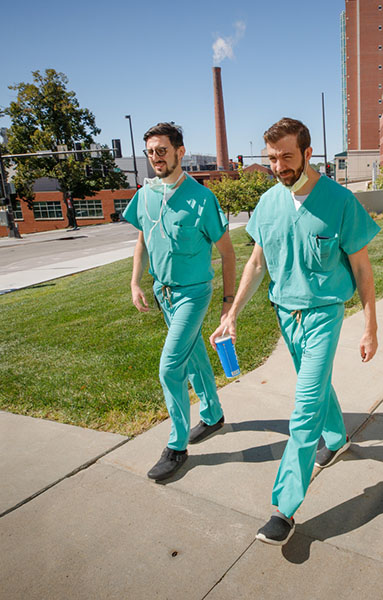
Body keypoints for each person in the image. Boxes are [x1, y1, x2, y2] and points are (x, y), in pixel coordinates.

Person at [210, 117, 380, 545]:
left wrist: (370, 325)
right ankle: (338, 437)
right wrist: (231, 314)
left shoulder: (340, 202)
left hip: (324, 314)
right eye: (272, 158)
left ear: (307, 153)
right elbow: (255, 263)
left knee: (304, 409)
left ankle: (283, 508)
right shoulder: (268, 203)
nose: (279, 165)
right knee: (316, 385)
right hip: (285, 315)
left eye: (287, 156)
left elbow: (361, 268)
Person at [122, 122, 237, 482]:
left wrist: (227, 302)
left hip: (194, 293)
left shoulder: (203, 199)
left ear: (179, 152)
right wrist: (135, 281)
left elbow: (229, 253)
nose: (155, 158)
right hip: (164, 293)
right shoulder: (145, 194)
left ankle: (176, 446)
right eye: (150, 152)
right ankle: (213, 413)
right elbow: (142, 237)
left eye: (162, 150)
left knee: (170, 367)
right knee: (193, 355)